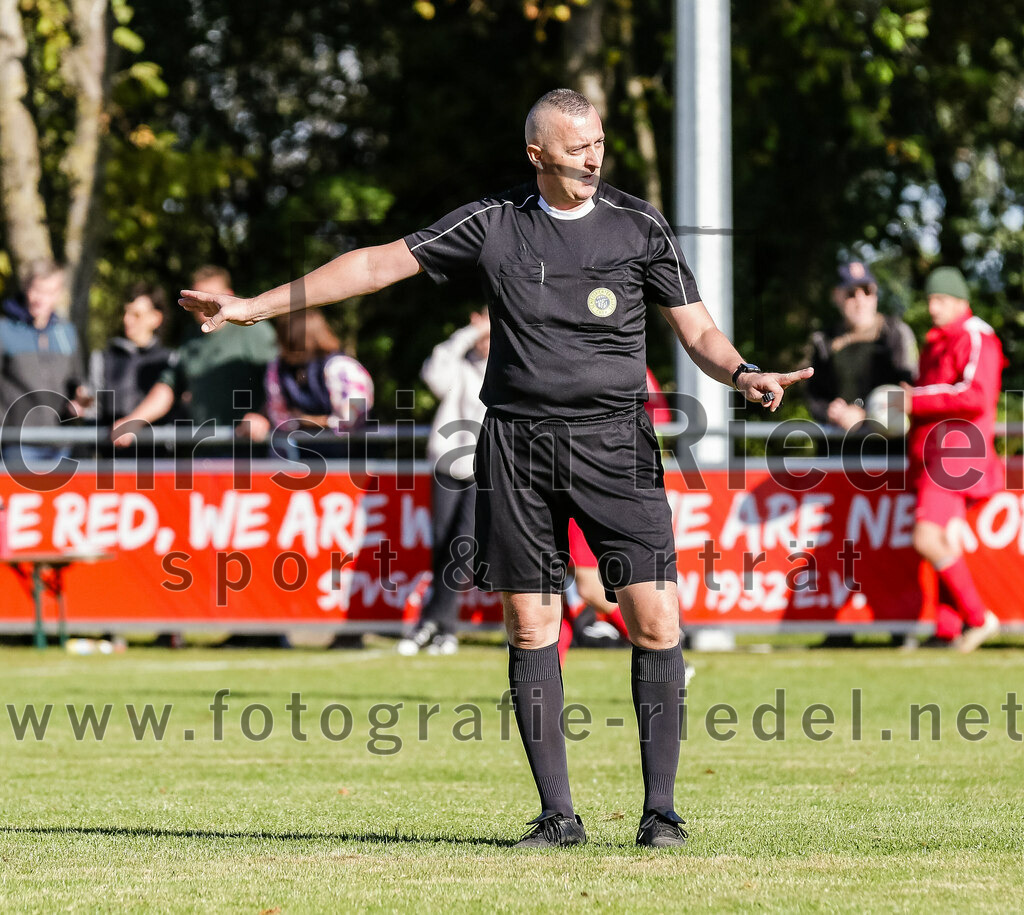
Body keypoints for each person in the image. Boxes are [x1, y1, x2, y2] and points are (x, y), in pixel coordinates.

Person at [179, 89, 812, 849]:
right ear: (536, 153)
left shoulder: (638, 222)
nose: (592, 156)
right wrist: (252, 307)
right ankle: (558, 816)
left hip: (616, 444)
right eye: (576, 146)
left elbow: (698, 329)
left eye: (599, 143)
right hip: (514, 443)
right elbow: (379, 264)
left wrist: (743, 372)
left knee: (655, 617)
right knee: (531, 621)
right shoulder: (494, 220)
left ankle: (663, 813)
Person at [900, 267, 1003, 652]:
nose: (932, 307)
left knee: (927, 537)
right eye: (929, 299)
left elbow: (975, 393)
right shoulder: (936, 341)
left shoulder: (976, 335)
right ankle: (947, 630)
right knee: (942, 541)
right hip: (933, 453)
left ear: (961, 301)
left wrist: (914, 399)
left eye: (940, 299)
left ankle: (979, 618)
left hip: (957, 453)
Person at [397, 308, 490, 657]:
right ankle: (443, 627)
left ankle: (431, 623)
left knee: (462, 547)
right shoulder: (458, 366)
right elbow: (434, 373)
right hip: (448, 466)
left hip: (486, 471)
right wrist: (471, 332)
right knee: (441, 544)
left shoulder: (507, 367)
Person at [112, 266, 277, 448]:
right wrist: (134, 420)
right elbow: (169, 386)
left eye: (211, 297)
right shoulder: (192, 337)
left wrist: (264, 416)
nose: (203, 303)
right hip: (204, 454)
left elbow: (281, 380)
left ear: (229, 295)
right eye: (197, 297)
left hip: (252, 455)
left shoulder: (255, 332)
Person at [237, 309, 373, 450]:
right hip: (301, 457)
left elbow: (351, 419)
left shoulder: (342, 368)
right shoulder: (278, 369)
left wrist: (305, 420)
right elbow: (280, 418)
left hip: (351, 457)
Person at [805, 260, 917, 430]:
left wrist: (866, 413)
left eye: (866, 291)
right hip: (838, 447)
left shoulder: (895, 333)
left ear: (876, 294)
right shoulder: (823, 340)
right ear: (836, 296)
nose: (860, 300)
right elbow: (814, 396)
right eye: (851, 293)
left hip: (887, 448)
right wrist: (830, 411)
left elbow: (911, 387)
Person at [0, 260, 91, 466]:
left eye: (49, 292)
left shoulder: (67, 333)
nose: (41, 299)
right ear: (26, 288)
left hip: (61, 443)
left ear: (58, 294)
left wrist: (81, 399)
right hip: (16, 443)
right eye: (37, 291)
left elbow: (78, 380)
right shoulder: (4, 331)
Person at [88, 282, 173, 425]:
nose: (126, 319)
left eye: (136, 314)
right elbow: (92, 412)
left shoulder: (171, 360)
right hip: (111, 445)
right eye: (126, 312)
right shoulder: (102, 358)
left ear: (156, 318)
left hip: (156, 446)